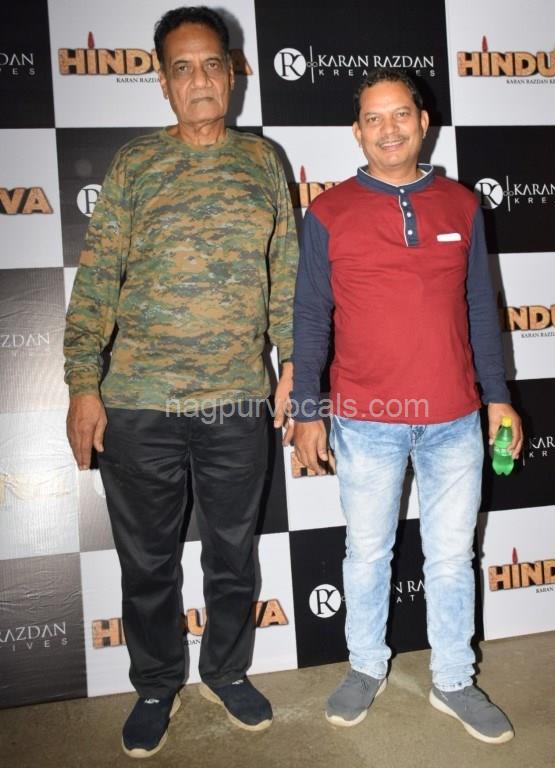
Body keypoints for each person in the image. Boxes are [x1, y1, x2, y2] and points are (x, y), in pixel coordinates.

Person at [64, 6, 297, 758]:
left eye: (212, 65)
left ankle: (226, 670)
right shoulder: (135, 163)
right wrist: (82, 384)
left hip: (237, 401)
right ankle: (156, 683)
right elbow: (97, 278)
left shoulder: (264, 161)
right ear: (163, 83)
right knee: (147, 564)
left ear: (233, 74)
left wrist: (295, 361)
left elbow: (287, 273)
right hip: (139, 404)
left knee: (233, 555)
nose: (199, 80)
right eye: (182, 68)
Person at [292, 68, 523, 744]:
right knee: (367, 554)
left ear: (424, 123)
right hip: (366, 420)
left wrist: (498, 399)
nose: (388, 129)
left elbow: (480, 310)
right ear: (357, 131)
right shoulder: (328, 213)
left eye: (401, 114)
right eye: (374, 118)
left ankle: (454, 678)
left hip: (454, 418)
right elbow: (311, 317)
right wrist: (307, 410)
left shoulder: (462, 206)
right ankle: (365, 666)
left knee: (451, 557)